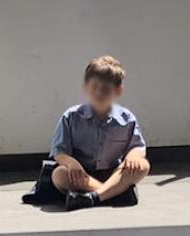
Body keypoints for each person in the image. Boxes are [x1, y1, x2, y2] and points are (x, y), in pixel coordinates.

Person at [34, 56, 149, 211]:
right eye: (95, 87)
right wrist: (70, 162)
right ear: (87, 87)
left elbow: (137, 146)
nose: (99, 93)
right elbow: (59, 152)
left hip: (113, 173)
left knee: (142, 166)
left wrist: (134, 156)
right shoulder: (72, 116)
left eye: (106, 89)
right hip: (81, 175)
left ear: (118, 90)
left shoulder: (126, 119)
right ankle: (115, 193)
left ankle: (92, 197)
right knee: (59, 175)